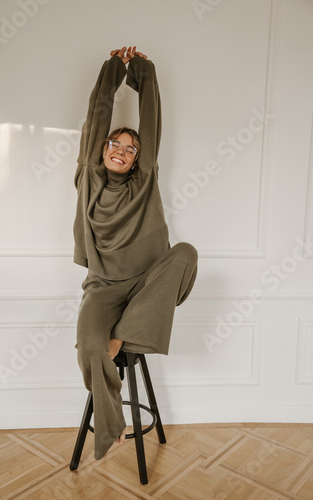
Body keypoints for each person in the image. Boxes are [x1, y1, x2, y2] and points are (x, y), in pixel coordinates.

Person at [73, 46, 198, 460]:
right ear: (104, 148)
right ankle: (111, 426)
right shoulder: (89, 180)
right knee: (91, 348)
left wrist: (143, 71)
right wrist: (113, 70)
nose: (121, 150)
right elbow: (95, 120)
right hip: (104, 288)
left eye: (130, 148)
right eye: (115, 144)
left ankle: (124, 334)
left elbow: (152, 122)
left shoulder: (144, 182)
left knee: (186, 252)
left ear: (138, 159)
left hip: (149, 282)